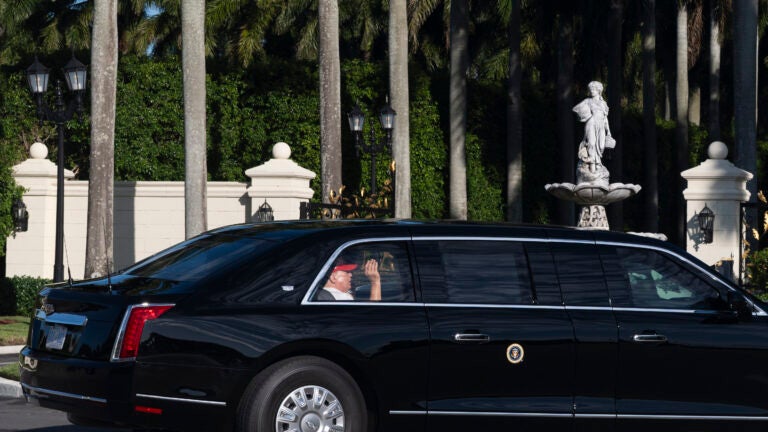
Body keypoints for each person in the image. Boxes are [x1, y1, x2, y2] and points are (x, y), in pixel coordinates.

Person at [572, 81, 613, 174]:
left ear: (599, 90)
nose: (592, 91)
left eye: (594, 89)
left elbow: (605, 119)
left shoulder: (603, 103)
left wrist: (608, 131)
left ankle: (598, 163)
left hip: (601, 125)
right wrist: (584, 115)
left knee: (601, 146)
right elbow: (576, 109)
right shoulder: (588, 101)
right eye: (590, 89)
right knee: (591, 143)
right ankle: (593, 167)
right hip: (591, 123)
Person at [316, 259, 381, 301]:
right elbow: (372, 314)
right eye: (347, 272)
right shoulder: (341, 297)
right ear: (333, 277)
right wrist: (375, 282)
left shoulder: (319, 293)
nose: (351, 275)